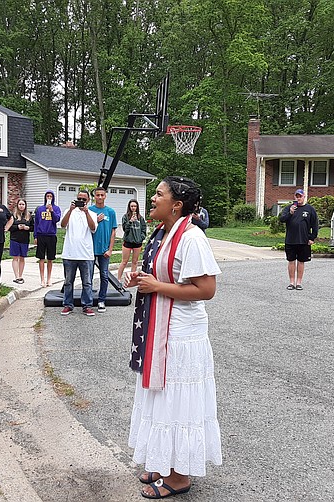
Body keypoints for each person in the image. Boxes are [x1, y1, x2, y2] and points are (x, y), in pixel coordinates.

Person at [123, 176, 222, 498]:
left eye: (159, 194)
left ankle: (179, 477)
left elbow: (206, 290)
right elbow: (162, 274)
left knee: (177, 403)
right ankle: (162, 461)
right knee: (160, 400)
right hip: (157, 330)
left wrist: (157, 287)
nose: (152, 198)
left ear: (176, 205)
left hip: (181, 336)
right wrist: (140, 279)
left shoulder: (192, 238)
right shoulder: (162, 233)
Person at [60, 189, 97, 316]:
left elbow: (93, 228)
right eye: (79, 199)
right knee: (68, 282)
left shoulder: (92, 213)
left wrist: (86, 212)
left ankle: (87, 305)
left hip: (86, 253)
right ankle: (68, 304)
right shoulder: (68, 211)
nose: (81, 201)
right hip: (70, 252)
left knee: (87, 282)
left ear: (88, 201)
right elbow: (63, 225)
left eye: (84, 200)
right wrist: (70, 210)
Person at [278, 188, 319, 290]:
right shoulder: (289, 208)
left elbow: (315, 225)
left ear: (304, 197)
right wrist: (290, 213)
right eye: (297, 196)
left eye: (300, 196)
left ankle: (298, 283)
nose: (298, 198)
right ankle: (291, 282)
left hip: (304, 240)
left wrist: (312, 238)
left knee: (301, 261)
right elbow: (282, 219)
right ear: (294, 197)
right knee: (291, 261)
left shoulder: (310, 209)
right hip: (290, 240)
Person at [89, 186, 117, 313]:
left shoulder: (110, 212)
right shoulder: (89, 210)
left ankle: (101, 300)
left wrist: (110, 250)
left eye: (102, 195)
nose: (100, 197)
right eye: (97, 195)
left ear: (105, 196)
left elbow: (113, 232)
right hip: (90, 249)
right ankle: (88, 302)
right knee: (87, 276)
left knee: (104, 275)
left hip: (104, 250)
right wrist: (95, 220)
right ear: (94, 196)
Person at [34, 190, 61, 287]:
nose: (49, 198)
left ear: (53, 198)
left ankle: (49, 278)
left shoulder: (56, 208)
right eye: (47, 196)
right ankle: (42, 279)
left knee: (50, 258)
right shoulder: (40, 209)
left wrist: (52, 211)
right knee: (41, 258)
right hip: (41, 235)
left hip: (51, 235)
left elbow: (57, 219)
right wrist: (35, 236)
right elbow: (36, 223)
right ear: (45, 197)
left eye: (51, 196)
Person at [117, 199, 147, 283]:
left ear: (137, 207)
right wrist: (130, 221)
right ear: (129, 207)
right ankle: (118, 279)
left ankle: (132, 279)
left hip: (137, 243)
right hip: (128, 242)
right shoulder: (125, 217)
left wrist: (141, 237)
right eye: (132, 206)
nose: (133, 208)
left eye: (135, 206)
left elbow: (144, 229)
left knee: (135, 261)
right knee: (124, 261)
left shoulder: (141, 218)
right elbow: (125, 229)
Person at [5, 198, 33, 284]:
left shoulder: (29, 216)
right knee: (15, 257)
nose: (21, 206)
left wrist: (27, 228)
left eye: (23, 204)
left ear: (25, 206)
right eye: (20, 204)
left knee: (22, 258)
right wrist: (18, 227)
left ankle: (21, 275)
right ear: (17, 205)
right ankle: (16, 276)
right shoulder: (13, 216)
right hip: (15, 239)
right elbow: (9, 227)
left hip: (24, 240)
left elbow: (33, 227)